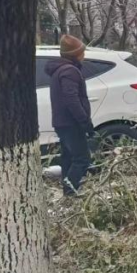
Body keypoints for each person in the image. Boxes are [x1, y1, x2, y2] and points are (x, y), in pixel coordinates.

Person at [46, 35, 94, 196]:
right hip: (71, 123)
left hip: (62, 122)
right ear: (75, 54)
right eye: (82, 52)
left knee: (68, 157)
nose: (84, 55)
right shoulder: (69, 71)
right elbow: (71, 99)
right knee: (82, 159)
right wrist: (85, 122)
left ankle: (68, 191)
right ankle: (71, 190)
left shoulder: (60, 70)